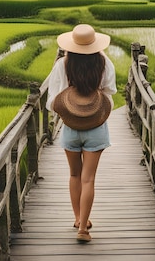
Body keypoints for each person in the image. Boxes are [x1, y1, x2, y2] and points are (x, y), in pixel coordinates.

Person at [46, 24, 117, 243]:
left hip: (70, 128)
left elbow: (52, 101)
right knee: (89, 179)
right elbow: (110, 93)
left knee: (74, 175)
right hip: (96, 127)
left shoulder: (63, 64)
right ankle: (83, 229)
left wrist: (71, 104)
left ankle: (78, 218)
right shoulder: (104, 62)